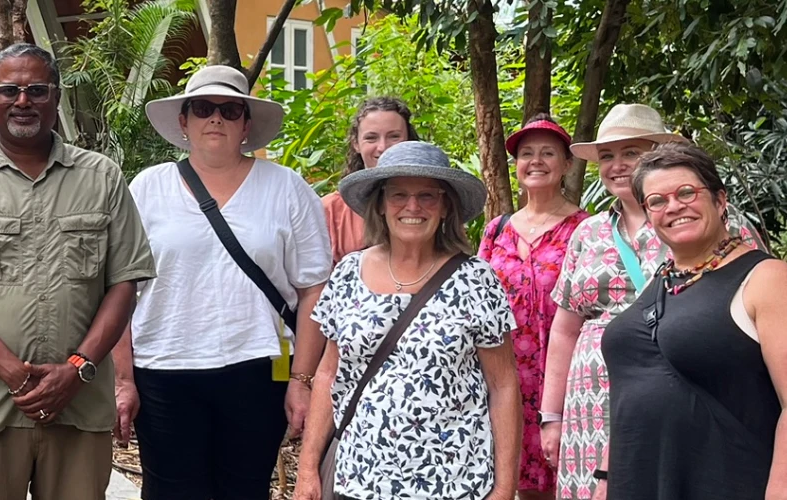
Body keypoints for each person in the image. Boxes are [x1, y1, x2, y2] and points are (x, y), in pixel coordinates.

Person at [0, 43, 156, 500]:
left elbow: (124, 282)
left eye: (37, 90)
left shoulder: (101, 177)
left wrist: (76, 369)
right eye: (10, 91)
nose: (23, 101)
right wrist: (16, 375)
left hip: (79, 408)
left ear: (56, 97)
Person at [117, 65, 332, 500]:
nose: (215, 118)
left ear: (246, 123)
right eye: (202, 108)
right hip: (164, 369)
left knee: (245, 489)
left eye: (229, 109)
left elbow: (314, 289)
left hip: (258, 367)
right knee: (171, 491)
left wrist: (302, 380)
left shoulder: (286, 188)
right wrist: (123, 380)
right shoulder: (148, 188)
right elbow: (120, 286)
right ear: (184, 121)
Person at [538, 104, 765, 500]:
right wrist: (552, 415)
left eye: (631, 152)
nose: (618, 165)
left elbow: (758, 306)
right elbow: (565, 327)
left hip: (684, 391)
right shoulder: (587, 233)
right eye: (607, 156)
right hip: (591, 403)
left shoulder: (714, 220)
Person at [294, 141, 521, 500]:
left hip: (454, 481)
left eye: (427, 196)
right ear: (381, 205)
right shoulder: (349, 272)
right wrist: (308, 470)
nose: (412, 207)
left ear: (445, 206)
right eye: (398, 195)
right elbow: (328, 374)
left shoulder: (477, 279)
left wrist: (505, 487)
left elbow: (504, 386)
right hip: (360, 477)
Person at [602, 143, 787, 499]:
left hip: (727, 480)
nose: (673, 206)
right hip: (638, 481)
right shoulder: (662, 281)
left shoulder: (767, 279)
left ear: (720, 201)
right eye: (657, 201)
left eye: (687, 192)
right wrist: (605, 477)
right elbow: (632, 392)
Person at [478, 116, 589, 500]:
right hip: (506, 380)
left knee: (567, 480)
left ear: (567, 164)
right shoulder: (496, 230)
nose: (536, 161)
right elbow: (479, 306)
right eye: (527, 154)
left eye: (548, 153)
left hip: (564, 380)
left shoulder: (586, 229)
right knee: (511, 482)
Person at [320, 97, 419, 263]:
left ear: (409, 140)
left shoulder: (431, 202)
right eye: (371, 138)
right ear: (356, 144)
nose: (383, 147)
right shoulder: (331, 210)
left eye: (394, 136)